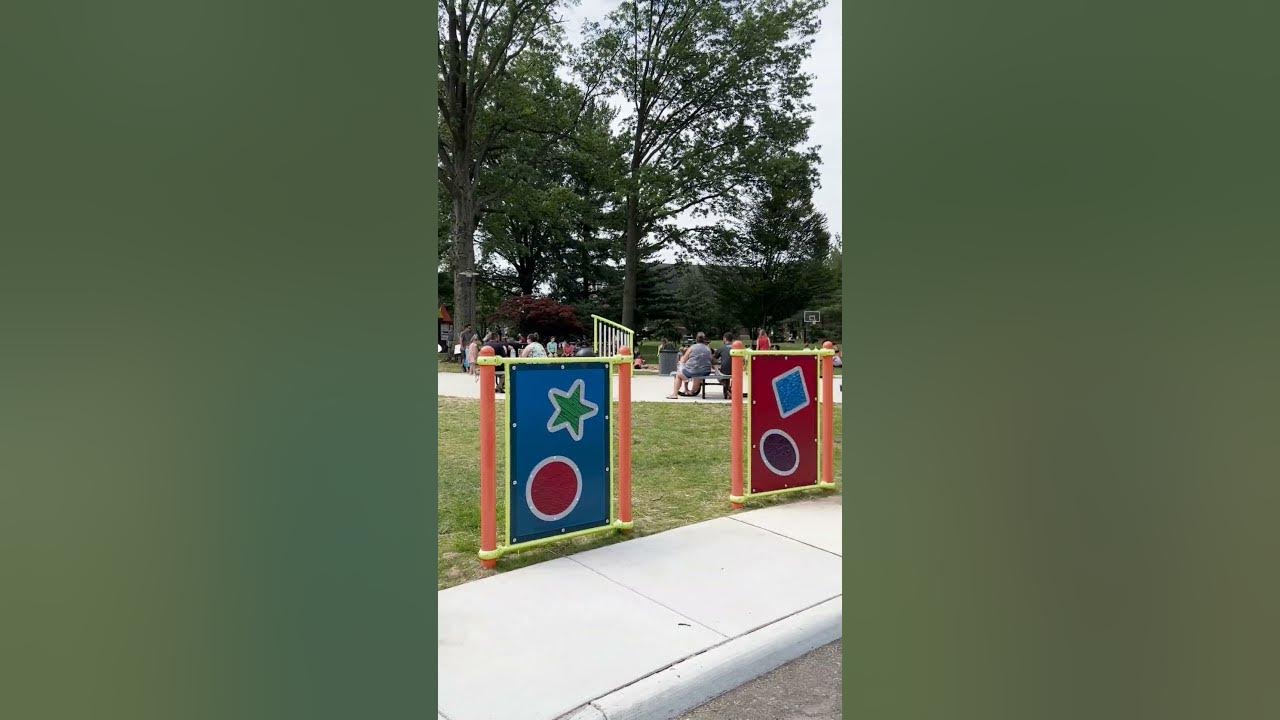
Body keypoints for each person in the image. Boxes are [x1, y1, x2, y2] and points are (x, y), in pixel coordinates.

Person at [668, 332, 713, 399]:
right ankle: (690, 390)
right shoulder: (708, 349)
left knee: (679, 374)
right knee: (696, 373)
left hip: (694, 371)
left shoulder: (692, 347)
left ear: (696, 339)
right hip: (705, 371)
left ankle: (675, 394)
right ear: (704, 339)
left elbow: (684, 360)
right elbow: (710, 359)